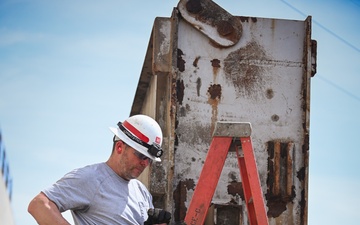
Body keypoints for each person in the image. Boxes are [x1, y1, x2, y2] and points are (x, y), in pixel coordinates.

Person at [28, 114, 171, 225]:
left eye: (149, 159)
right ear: (120, 147)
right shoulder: (91, 178)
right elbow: (39, 205)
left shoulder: (142, 192)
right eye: (141, 155)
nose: (145, 163)